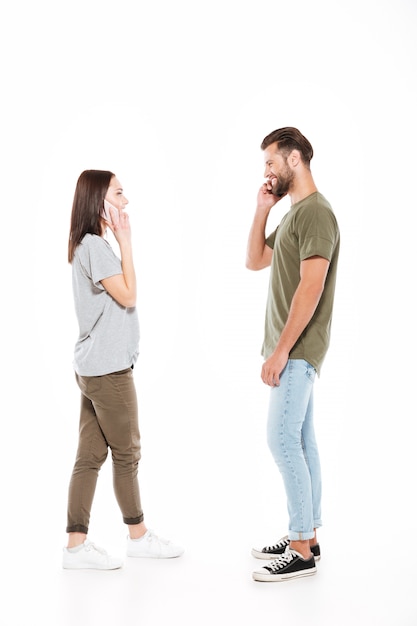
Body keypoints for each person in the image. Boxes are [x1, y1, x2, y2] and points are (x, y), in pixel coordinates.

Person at [63, 170, 184, 569]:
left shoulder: (89, 245)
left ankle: (76, 548)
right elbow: (129, 296)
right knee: (127, 453)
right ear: (100, 202)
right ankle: (138, 536)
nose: (126, 201)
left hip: (94, 366)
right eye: (119, 193)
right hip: (108, 371)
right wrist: (126, 242)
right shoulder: (96, 246)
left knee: (89, 456)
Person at [246, 128, 340, 582]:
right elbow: (255, 260)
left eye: (271, 162)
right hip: (293, 350)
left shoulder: (317, 213)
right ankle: (309, 535)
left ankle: (300, 547)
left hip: (298, 350)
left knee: (281, 439)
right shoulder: (295, 213)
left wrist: (281, 352)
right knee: (302, 442)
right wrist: (262, 210)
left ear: (295, 159)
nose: (267, 171)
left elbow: (311, 285)